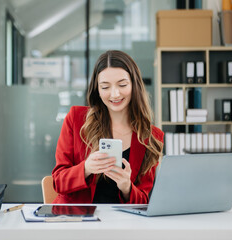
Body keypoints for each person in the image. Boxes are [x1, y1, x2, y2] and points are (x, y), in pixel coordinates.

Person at [52, 50, 164, 204]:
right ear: (97, 90)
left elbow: (143, 201)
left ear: (134, 85)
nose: (115, 94)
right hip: (77, 219)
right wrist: (86, 168)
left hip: (122, 223)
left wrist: (127, 187)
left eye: (122, 85)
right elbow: (58, 182)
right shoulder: (76, 119)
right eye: (105, 87)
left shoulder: (151, 136)